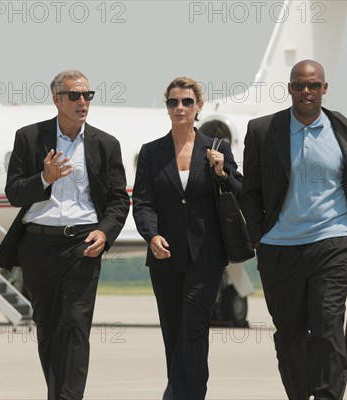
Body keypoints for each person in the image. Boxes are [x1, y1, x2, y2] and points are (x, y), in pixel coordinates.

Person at [240, 59, 347, 399]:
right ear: (289, 89)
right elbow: (251, 192)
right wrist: (258, 237)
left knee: (327, 327)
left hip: (333, 243)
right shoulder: (263, 131)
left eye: (313, 85)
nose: (306, 92)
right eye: (298, 85)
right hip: (279, 248)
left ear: (325, 88)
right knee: (289, 334)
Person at [0, 69, 130, 400]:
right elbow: (14, 193)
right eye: (75, 96)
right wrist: (44, 178)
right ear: (57, 100)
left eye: (87, 96)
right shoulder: (29, 138)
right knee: (49, 330)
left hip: (83, 244)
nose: (83, 102)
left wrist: (105, 233)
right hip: (38, 244)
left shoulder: (106, 144)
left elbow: (118, 201)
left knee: (76, 327)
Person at [132, 77, 244, 399]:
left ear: (199, 107)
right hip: (164, 256)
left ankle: (185, 394)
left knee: (194, 329)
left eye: (186, 102)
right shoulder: (152, 152)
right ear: (166, 107)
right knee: (173, 331)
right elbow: (142, 202)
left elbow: (240, 192)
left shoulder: (217, 148)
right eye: (173, 102)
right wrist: (151, 235)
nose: (180, 108)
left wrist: (222, 172)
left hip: (206, 256)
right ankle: (180, 391)